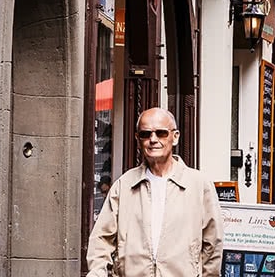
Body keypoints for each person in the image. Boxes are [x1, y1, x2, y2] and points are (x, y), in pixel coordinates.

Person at [85, 108, 223, 277]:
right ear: (138, 139)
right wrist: (98, 272)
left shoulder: (198, 185)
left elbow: (213, 244)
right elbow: (101, 239)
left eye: (161, 133)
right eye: (145, 134)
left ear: (175, 137)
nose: (153, 139)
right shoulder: (125, 185)